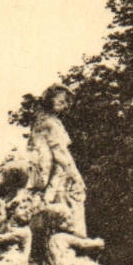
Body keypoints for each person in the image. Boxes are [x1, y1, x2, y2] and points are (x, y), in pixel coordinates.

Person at [27, 84, 87, 237]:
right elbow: (60, 154)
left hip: (50, 170)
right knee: (73, 197)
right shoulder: (50, 123)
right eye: (60, 101)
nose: (64, 105)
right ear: (49, 100)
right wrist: (76, 176)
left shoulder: (43, 121)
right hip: (51, 171)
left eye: (66, 103)